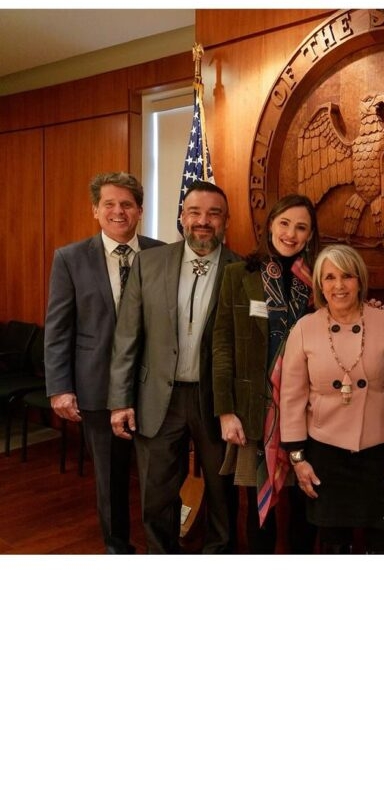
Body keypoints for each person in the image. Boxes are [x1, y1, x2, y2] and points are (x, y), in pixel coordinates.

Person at [108, 180, 240, 554]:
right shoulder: (149, 263)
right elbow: (126, 336)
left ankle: (219, 557)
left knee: (222, 492)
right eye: (195, 212)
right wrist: (120, 400)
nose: (203, 221)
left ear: (225, 222)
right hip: (157, 399)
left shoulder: (241, 269)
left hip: (215, 400)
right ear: (182, 217)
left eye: (213, 214)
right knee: (157, 493)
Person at [44, 171, 165, 554]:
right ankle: (118, 550)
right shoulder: (69, 258)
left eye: (127, 204)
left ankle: (163, 548)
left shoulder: (162, 254)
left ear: (140, 211)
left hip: (155, 388)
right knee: (111, 479)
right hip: (96, 387)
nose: (118, 211)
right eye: (109, 204)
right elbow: (58, 329)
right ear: (96, 210)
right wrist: (60, 387)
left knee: (160, 477)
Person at [279, 244, 384, 554]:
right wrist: (297, 458)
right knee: (334, 544)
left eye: (347, 276)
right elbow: (292, 398)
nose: (339, 286)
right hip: (325, 454)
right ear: (320, 285)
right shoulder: (304, 328)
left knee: (382, 541)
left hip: (381, 453)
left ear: (360, 280)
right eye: (330, 277)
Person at [212, 194, 320, 553]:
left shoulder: (319, 281)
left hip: (308, 413)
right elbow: (222, 345)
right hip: (254, 412)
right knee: (259, 513)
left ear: (310, 236)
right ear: (270, 224)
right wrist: (226, 411)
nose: (291, 233)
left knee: (306, 508)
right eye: (285, 223)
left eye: (301, 227)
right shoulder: (238, 275)